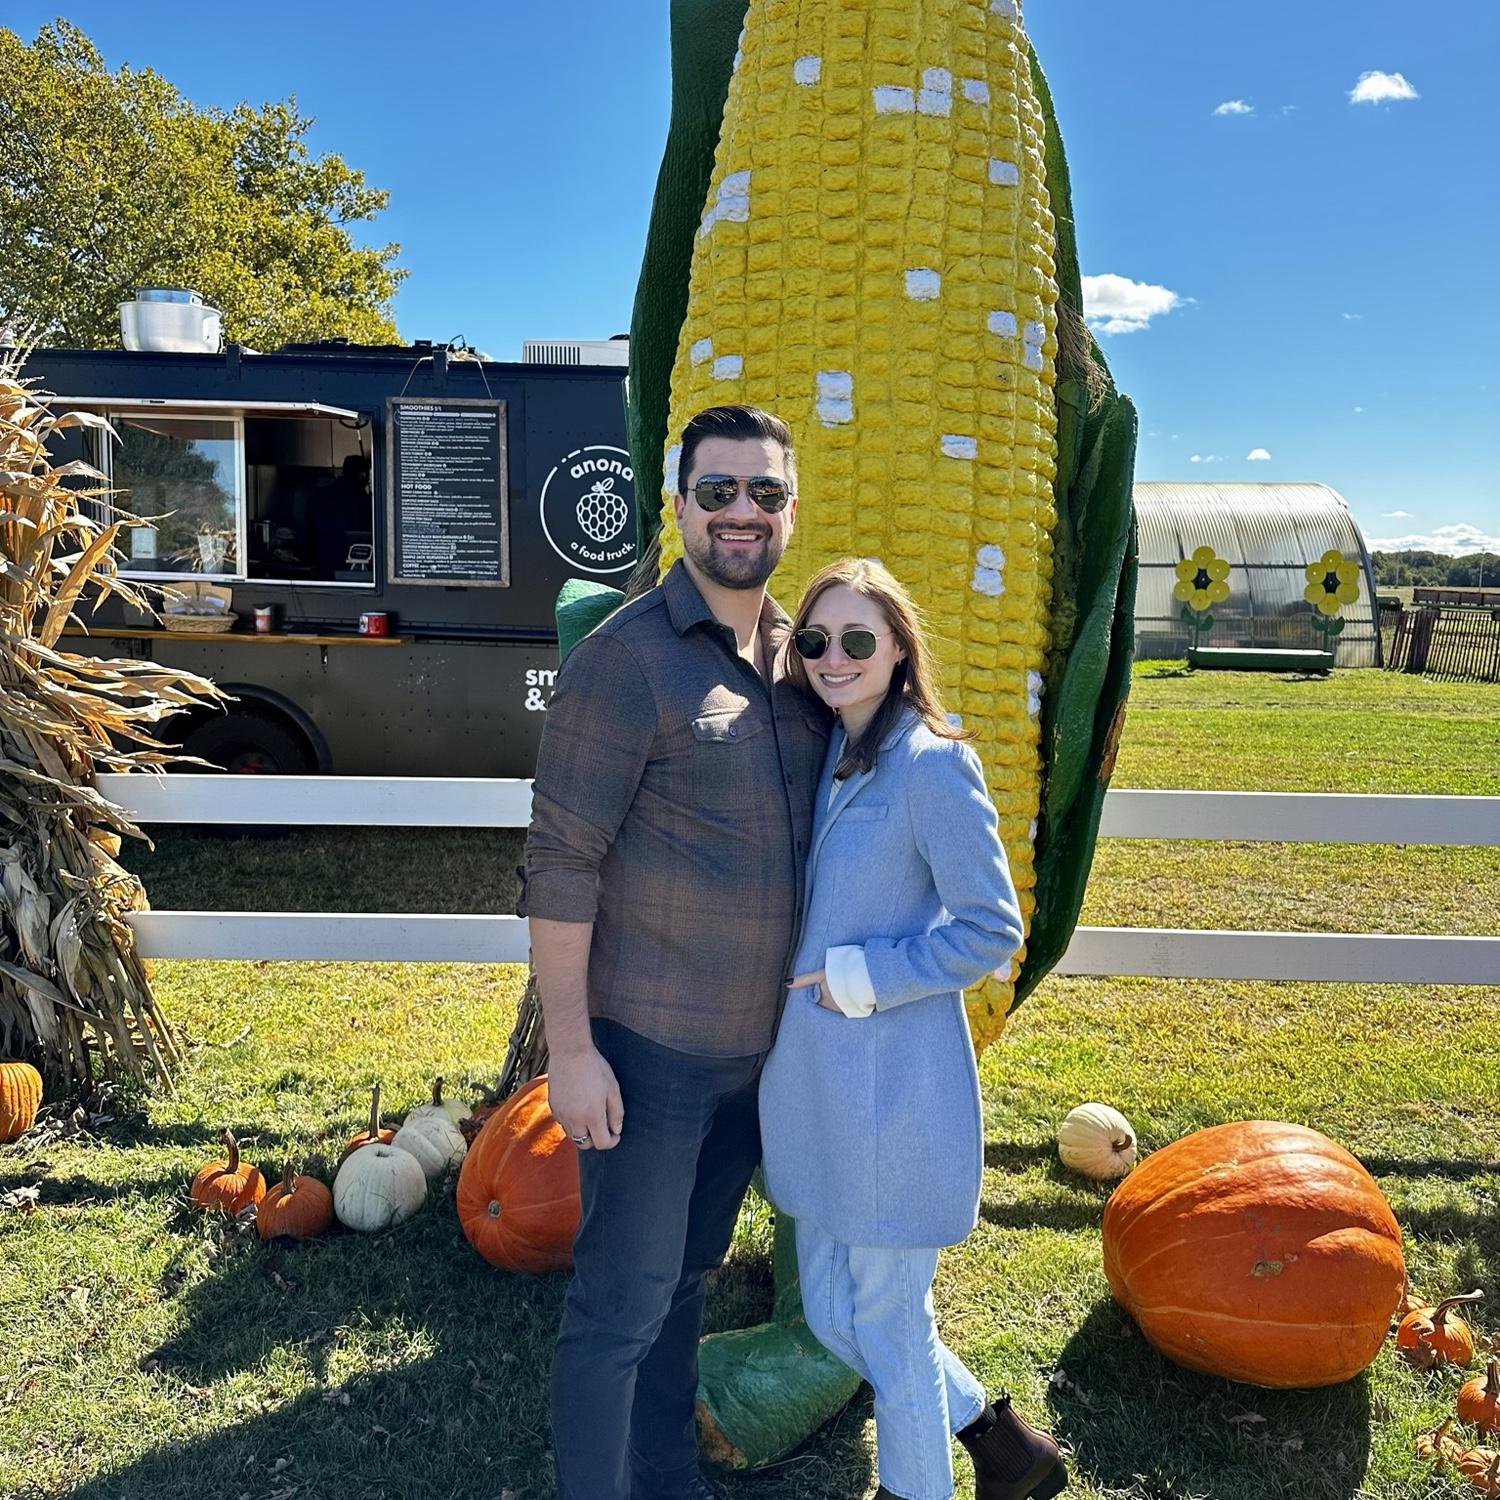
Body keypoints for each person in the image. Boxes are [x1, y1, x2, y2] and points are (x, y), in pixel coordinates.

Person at [522, 405, 830, 1500]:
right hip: (648, 1055)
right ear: (680, 504)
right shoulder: (626, 660)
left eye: (764, 492)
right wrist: (571, 1051)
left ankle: (667, 1480)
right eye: (717, 491)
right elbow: (559, 862)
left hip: (757, 1062)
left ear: (791, 507)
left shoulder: (802, 661)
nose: (741, 512)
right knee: (620, 1307)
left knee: (687, 1285)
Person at [758, 558, 1067, 1500]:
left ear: (899, 649)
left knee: (890, 1329)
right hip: (817, 1089)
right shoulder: (826, 752)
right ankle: (1005, 1449)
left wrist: (864, 977)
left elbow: (991, 929)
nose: (835, 657)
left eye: (859, 639)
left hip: (893, 1093)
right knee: (836, 1315)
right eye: (817, 640)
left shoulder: (934, 763)